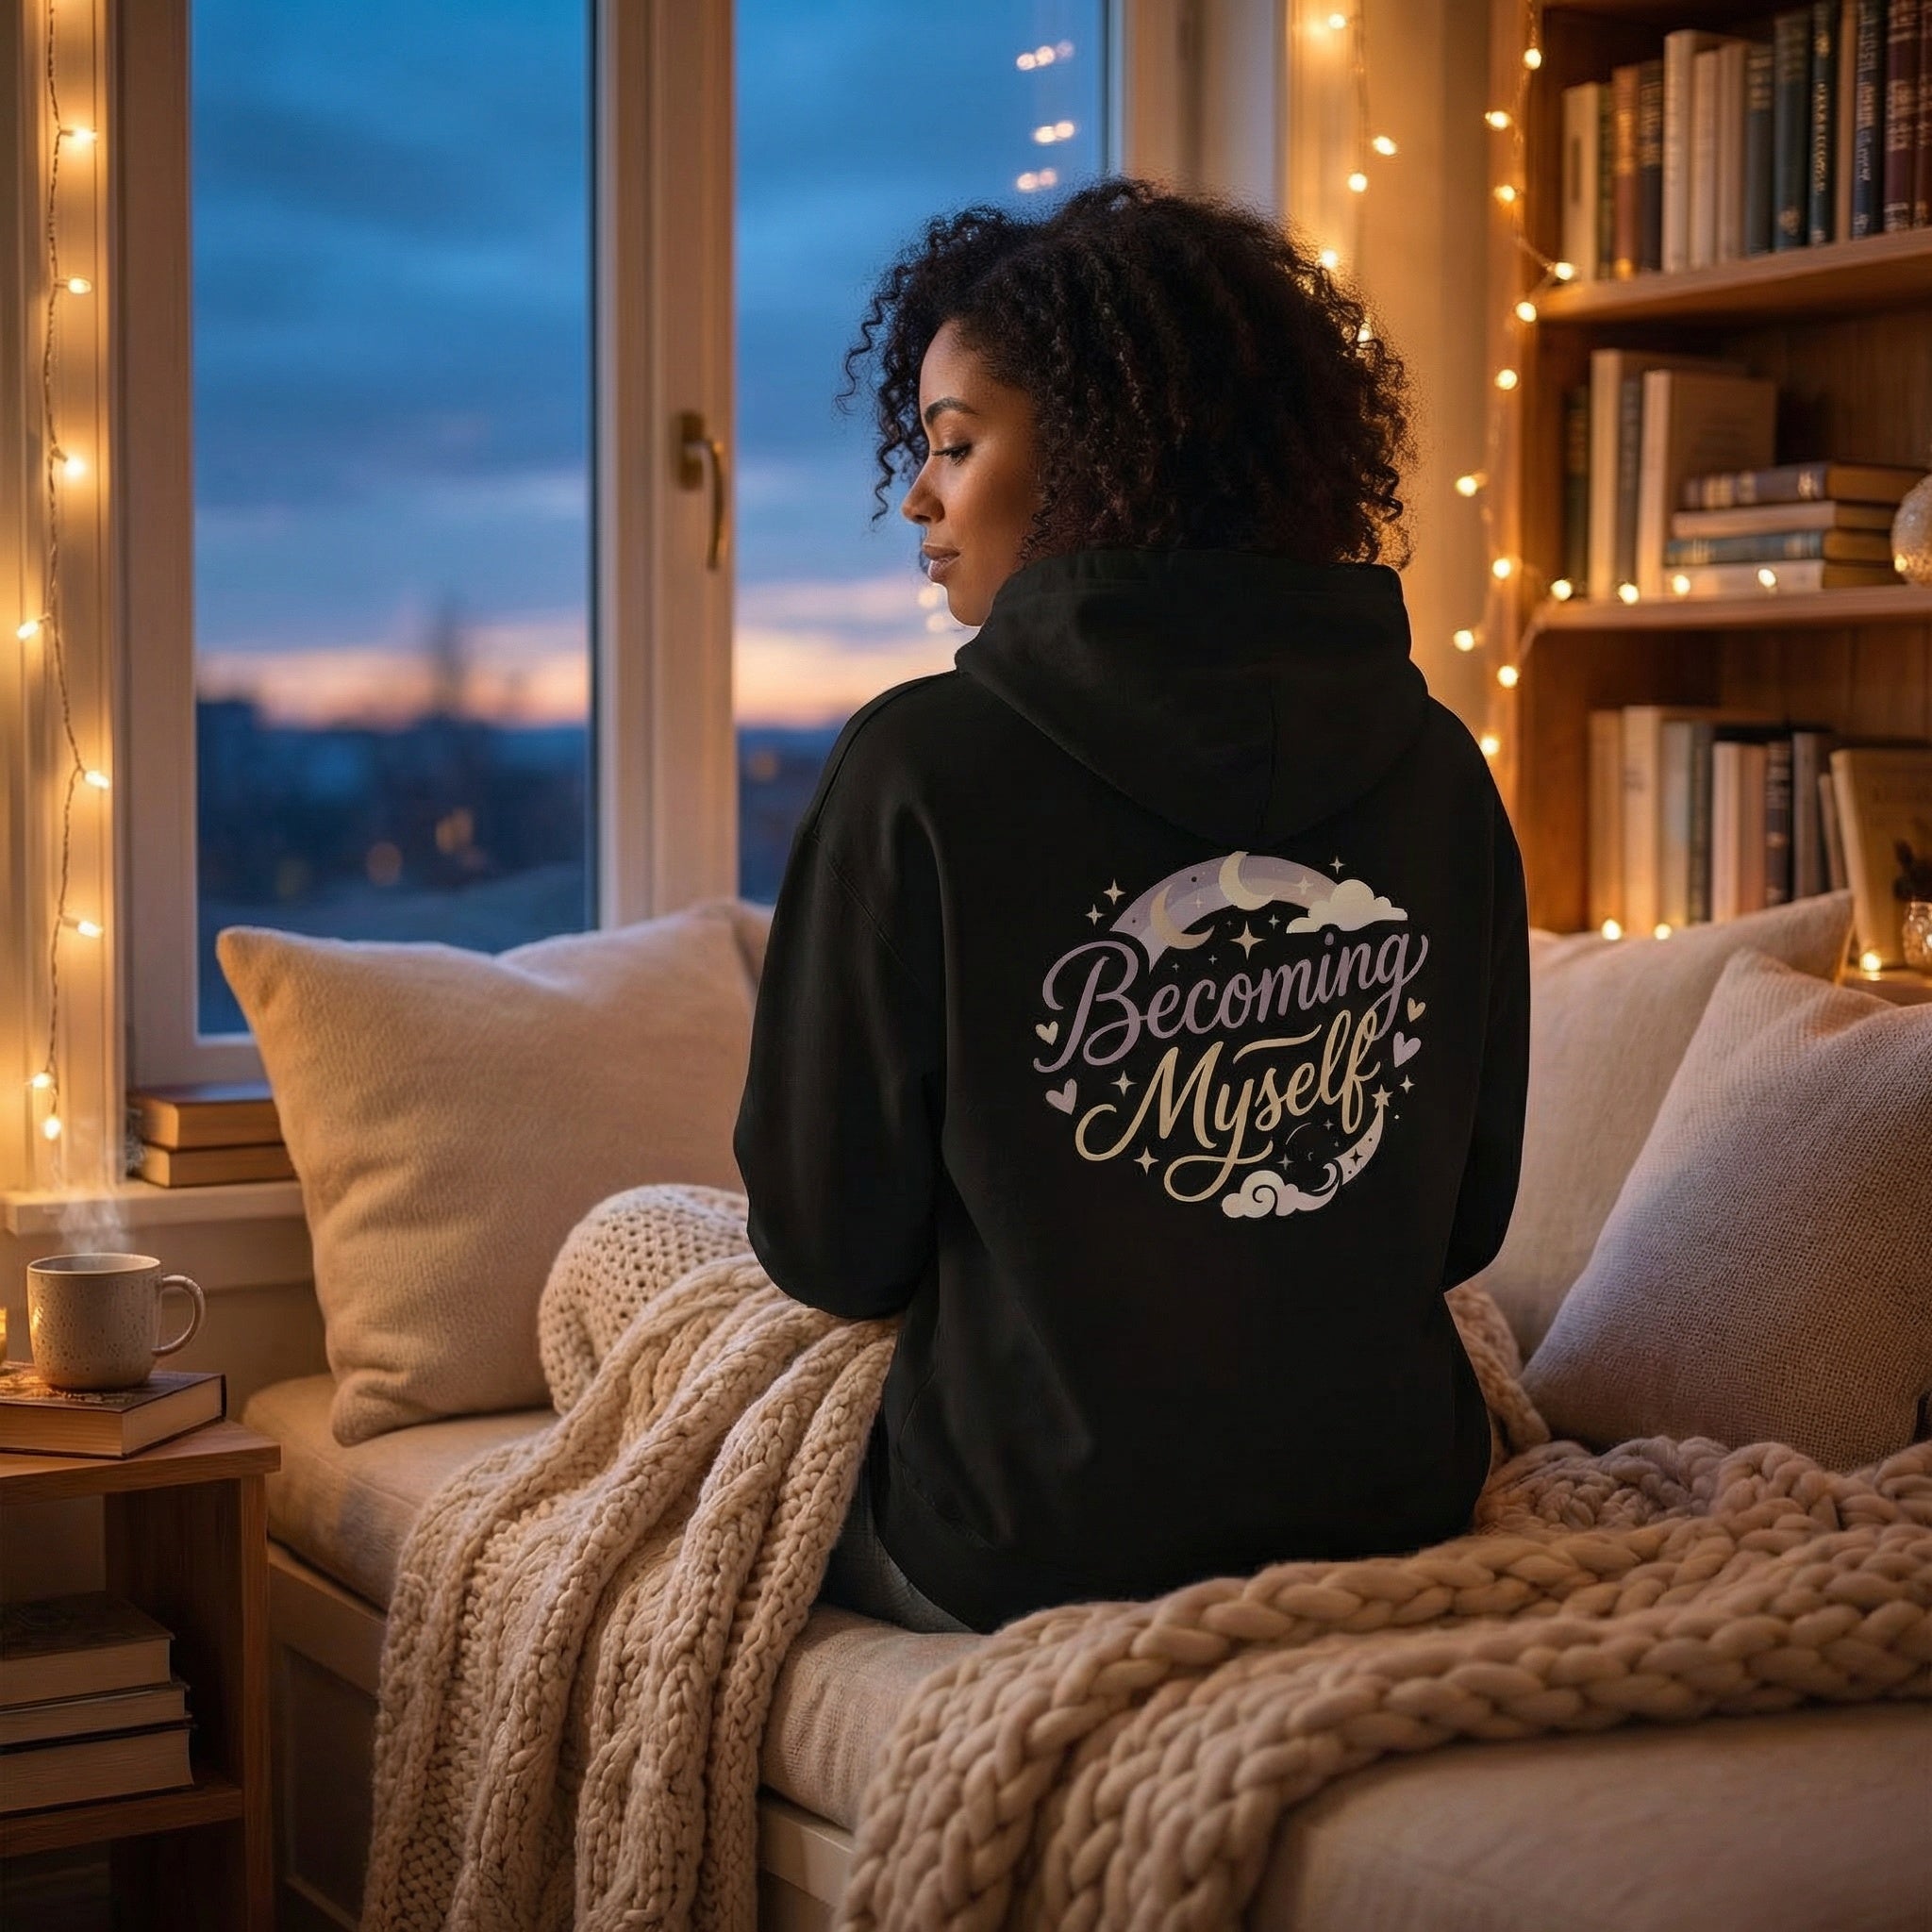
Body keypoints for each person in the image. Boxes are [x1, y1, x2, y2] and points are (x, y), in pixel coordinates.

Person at [732, 178, 1530, 1637]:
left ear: (1102, 451)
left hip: (1027, 1538)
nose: (918, 493)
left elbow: (826, 1248)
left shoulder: (917, 765)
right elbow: (1465, 1220)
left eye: (956, 443)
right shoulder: (1440, 769)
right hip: (1394, 1504)